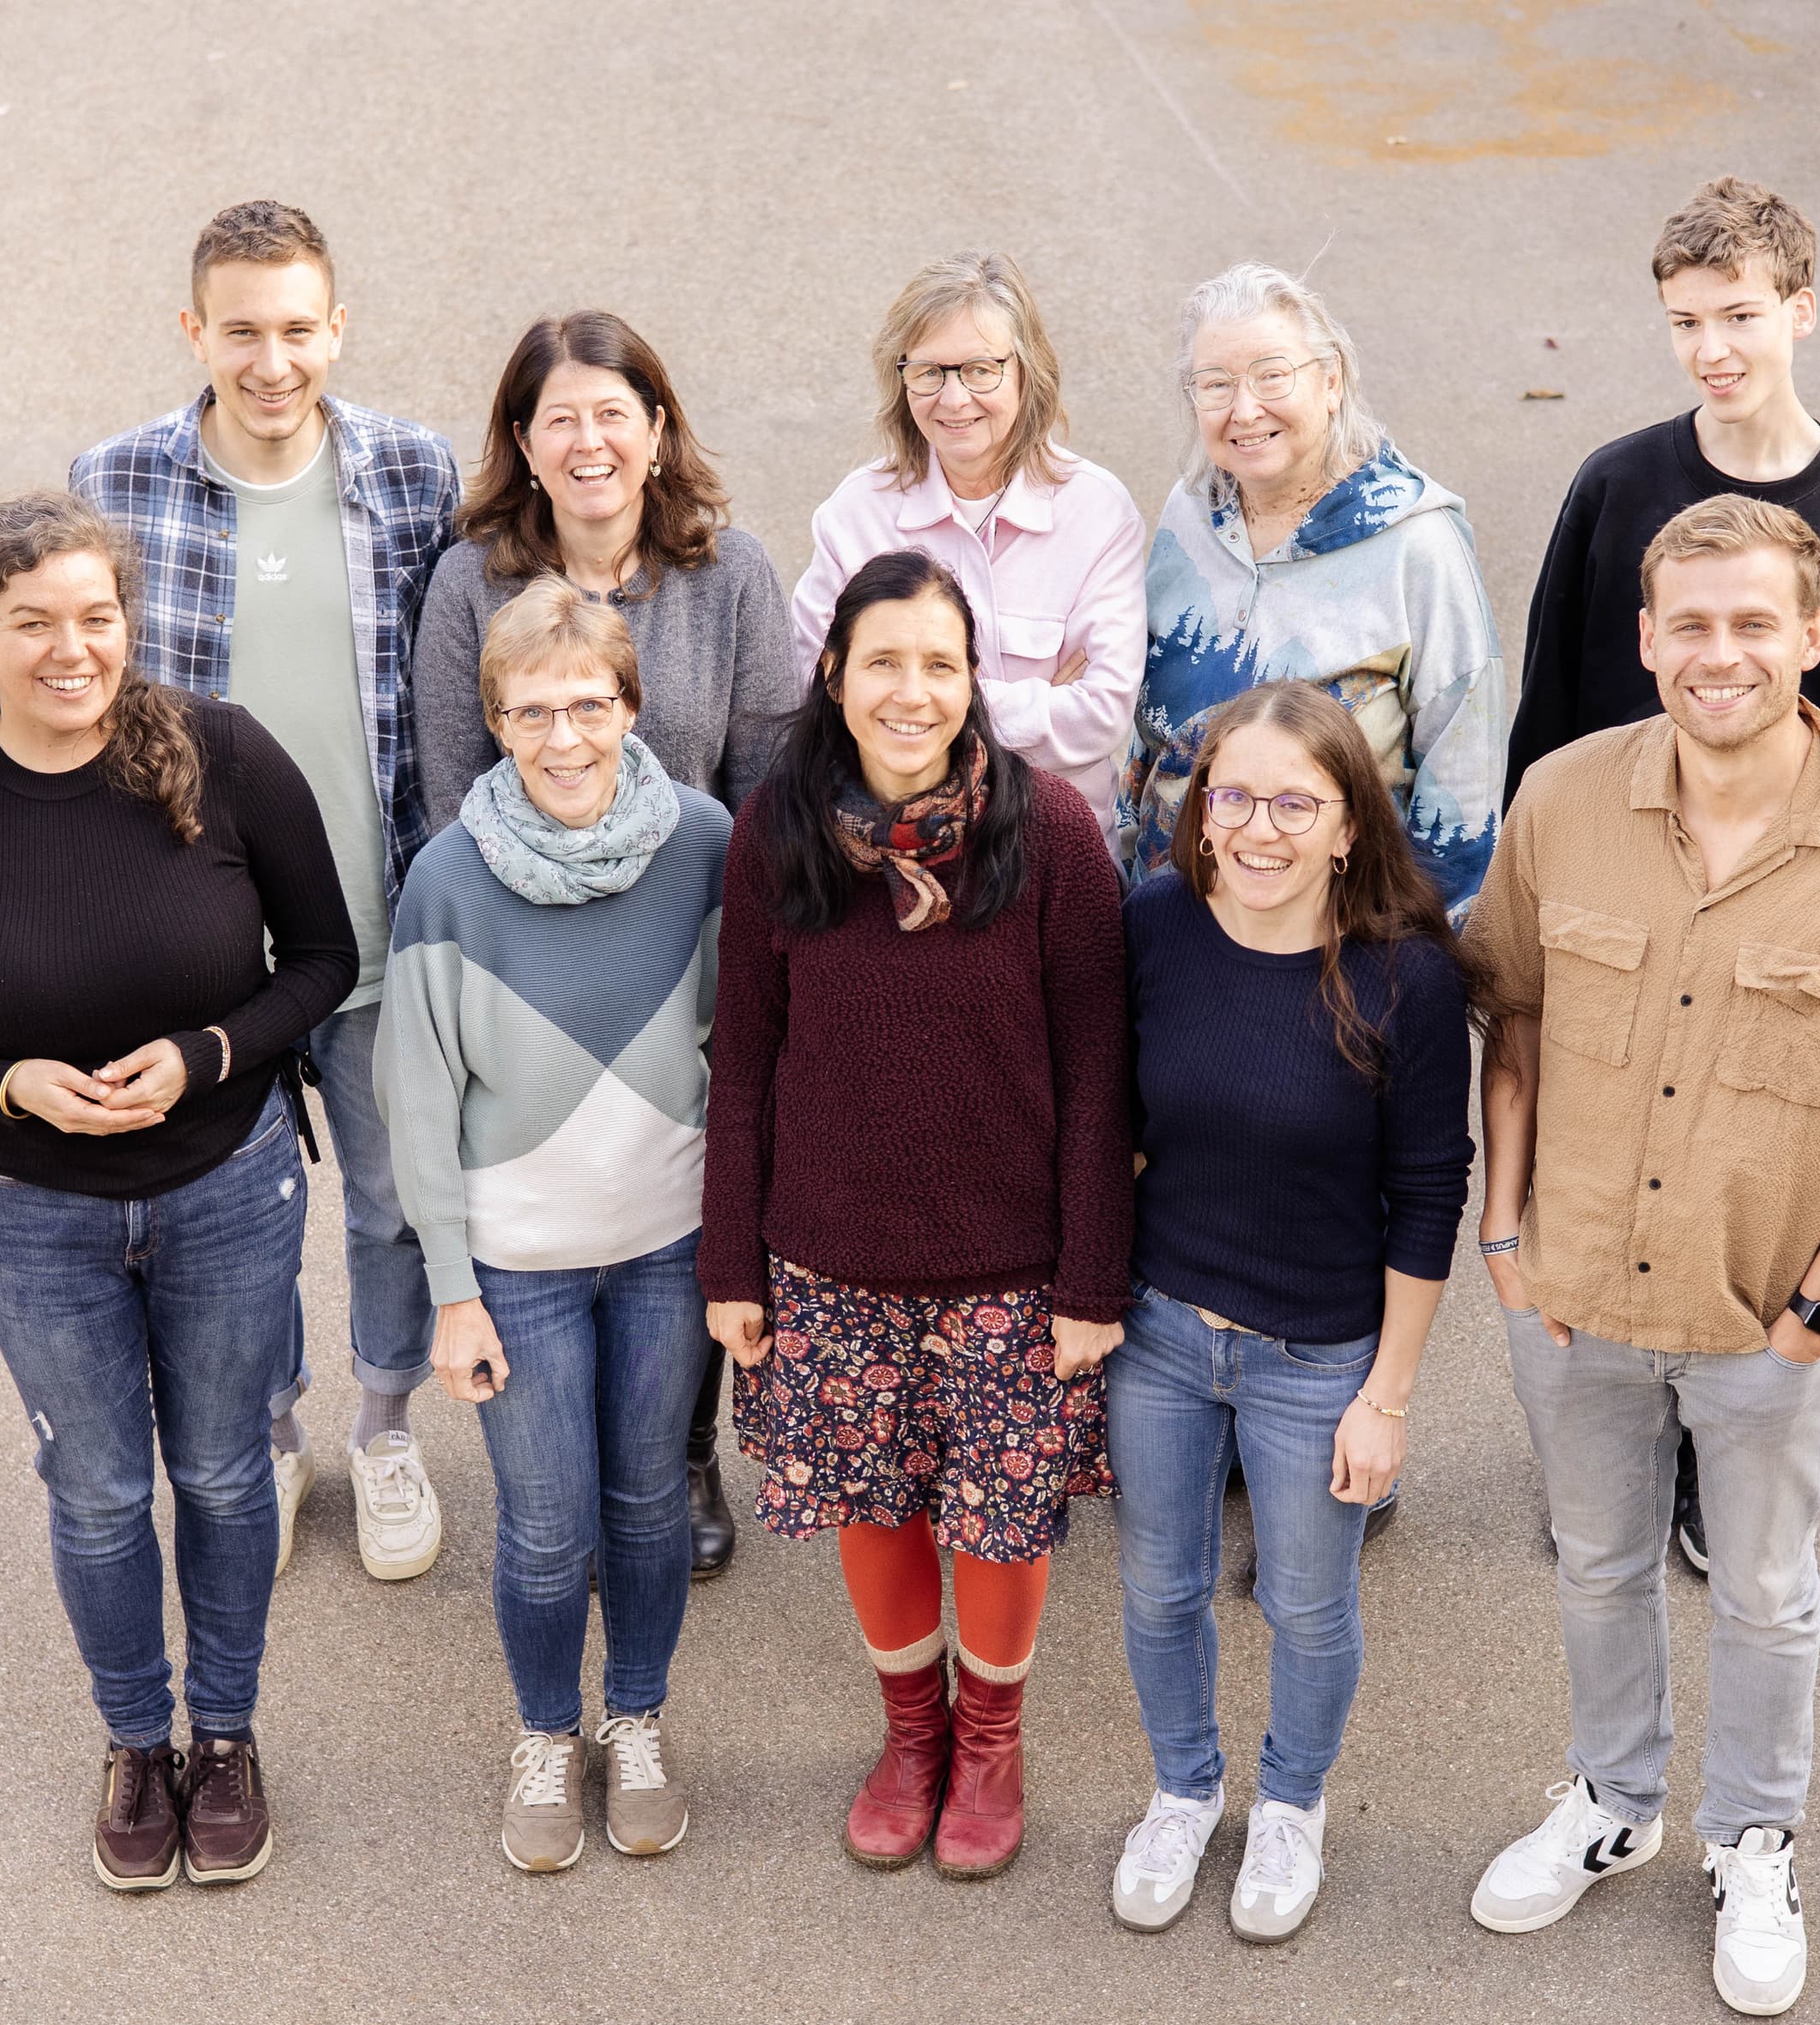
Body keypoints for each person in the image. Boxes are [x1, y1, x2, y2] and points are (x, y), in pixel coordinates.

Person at [1455, 495, 1820, 2018]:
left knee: (1761, 1590)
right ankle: (1612, 1803)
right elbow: (1515, 1020)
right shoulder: (1559, 802)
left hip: (1763, 1324)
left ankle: (1753, 1839)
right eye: (1690, 623)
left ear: (1812, 638)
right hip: (1571, 1299)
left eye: (1755, 623)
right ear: (1645, 638)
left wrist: (1813, 1318)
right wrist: (1505, 1232)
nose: (1719, 653)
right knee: (1600, 1566)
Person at [0, 492, 364, 1893]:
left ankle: (229, 1737)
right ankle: (139, 1742)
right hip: (37, 1216)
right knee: (97, 1491)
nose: (72, 650)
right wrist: (11, 1086)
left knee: (220, 1471)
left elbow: (323, 960)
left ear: (128, 625)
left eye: (97, 618)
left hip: (226, 1187)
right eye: (34, 624)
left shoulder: (225, 757)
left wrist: (207, 1053)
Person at [1501, 176, 1820, 1577]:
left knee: (1740, 1182)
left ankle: (1714, 1454)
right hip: (1620, 903)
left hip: (1783, 918)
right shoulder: (1617, 488)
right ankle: (1609, 1436)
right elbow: (1552, 715)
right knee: (1612, 1170)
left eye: (1741, 315)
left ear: (1801, 312)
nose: (1714, 348)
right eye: (1686, 320)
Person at [703, 549, 1132, 1883]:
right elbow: (748, 1065)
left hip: (1011, 1272)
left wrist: (1091, 1284)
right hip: (829, 1264)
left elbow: (1100, 1076)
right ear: (833, 674)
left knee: (999, 1528)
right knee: (873, 1510)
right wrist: (735, 1263)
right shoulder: (780, 832)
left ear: (973, 680)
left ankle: (990, 1745)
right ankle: (911, 1737)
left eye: (939, 664)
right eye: (882, 661)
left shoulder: (1052, 834)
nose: (911, 690)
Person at [70, 199, 458, 1587]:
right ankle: (275, 1429)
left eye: (299, 329)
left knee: (394, 1198)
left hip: (375, 917)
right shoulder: (113, 483)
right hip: (205, 945)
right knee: (239, 1216)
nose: (273, 360)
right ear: (196, 333)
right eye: (243, 331)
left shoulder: (415, 474)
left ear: (336, 327)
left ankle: (387, 1427)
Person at [1119, 259, 1506, 1549]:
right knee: (1215, 1153)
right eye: (1214, 384)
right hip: (1196, 915)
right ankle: (1216, 1422)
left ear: (1331, 380)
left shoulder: (1418, 543)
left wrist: (1413, 958)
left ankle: (1358, 1425)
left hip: (1354, 938)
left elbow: (1458, 767)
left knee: (1361, 1179)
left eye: (1272, 376)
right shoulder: (1185, 520)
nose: (1244, 408)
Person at [411, 310, 797, 1583]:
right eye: (558, 418)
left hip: (686, 925)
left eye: (612, 414)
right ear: (522, 444)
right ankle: (560, 1465)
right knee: (547, 1200)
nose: (588, 441)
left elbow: (766, 775)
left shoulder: (729, 573)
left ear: (656, 429)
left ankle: (678, 1450)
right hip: (524, 935)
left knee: (677, 1190)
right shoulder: (471, 581)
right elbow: (452, 782)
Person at [1104, 682, 1471, 1944]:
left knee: (1307, 1604)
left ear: (1348, 825)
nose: (1259, 830)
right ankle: (1184, 1789)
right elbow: (1110, 1132)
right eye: (1234, 797)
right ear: (1200, 814)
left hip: (1319, 1355)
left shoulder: (1405, 982)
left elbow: (1428, 1196)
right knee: (1161, 1587)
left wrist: (1389, 1396)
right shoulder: (1152, 924)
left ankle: (1290, 1805)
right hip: (1158, 1335)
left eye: (1295, 804)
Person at [379, 579, 732, 1872]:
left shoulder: (704, 843)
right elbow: (418, 1104)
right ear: (497, 722)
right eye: (534, 712)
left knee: (647, 1505)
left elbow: (740, 1054)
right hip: (516, 1266)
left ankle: (634, 1722)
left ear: (632, 705)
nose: (566, 736)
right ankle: (545, 1732)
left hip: (666, 1249)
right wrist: (453, 1294)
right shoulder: (449, 879)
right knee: (544, 1525)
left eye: (590, 704)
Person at [791, 250, 1146, 821]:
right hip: (889, 848)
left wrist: (907, 712)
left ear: (1027, 371)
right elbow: (813, 694)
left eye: (981, 370)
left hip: (1051, 851)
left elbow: (1102, 714)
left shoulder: (1099, 514)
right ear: (900, 377)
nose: (953, 400)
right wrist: (1037, 705)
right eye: (929, 372)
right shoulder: (855, 514)